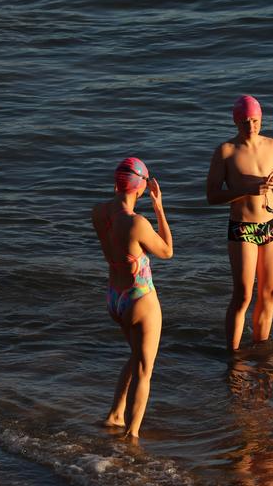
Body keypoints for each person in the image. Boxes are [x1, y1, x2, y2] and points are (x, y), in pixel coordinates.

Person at [91, 157, 173, 439]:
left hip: (115, 297)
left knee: (136, 356)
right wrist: (159, 208)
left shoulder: (99, 213)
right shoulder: (136, 223)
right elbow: (166, 251)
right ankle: (132, 435)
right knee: (144, 369)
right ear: (140, 188)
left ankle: (114, 414)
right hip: (140, 297)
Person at [206, 95, 273, 351]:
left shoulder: (272, 146)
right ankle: (232, 356)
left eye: (255, 121)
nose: (251, 126)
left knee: (271, 292)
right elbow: (212, 196)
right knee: (243, 294)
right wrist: (246, 190)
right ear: (235, 122)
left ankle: (260, 348)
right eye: (245, 122)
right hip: (243, 228)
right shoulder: (226, 151)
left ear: (261, 119)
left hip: (270, 226)